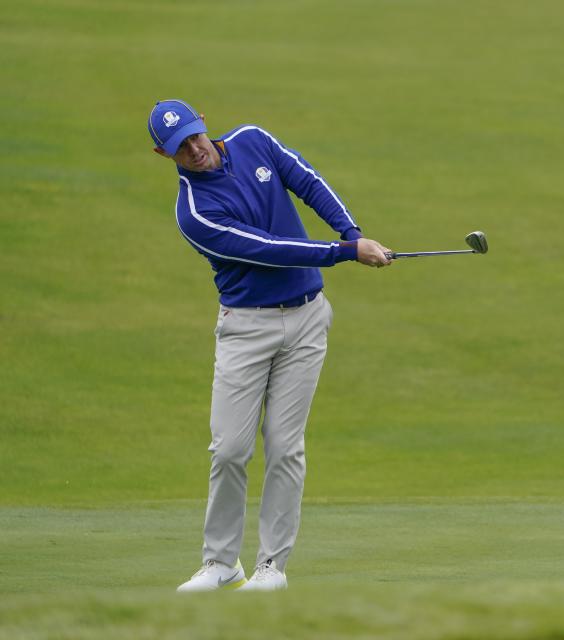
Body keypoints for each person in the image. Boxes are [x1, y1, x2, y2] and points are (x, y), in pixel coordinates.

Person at [148, 99, 392, 592]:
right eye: (180, 147)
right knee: (230, 449)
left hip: (306, 321)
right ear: (163, 153)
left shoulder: (252, 140)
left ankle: (271, 568)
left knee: (285, 446)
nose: (194, 149)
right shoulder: (194, 212)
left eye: (195, 136)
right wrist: (344, 252)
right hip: (246, 331)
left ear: (203, 125)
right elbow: (265, 249)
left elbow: (307, 180)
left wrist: (352, 232)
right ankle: (221, 562)